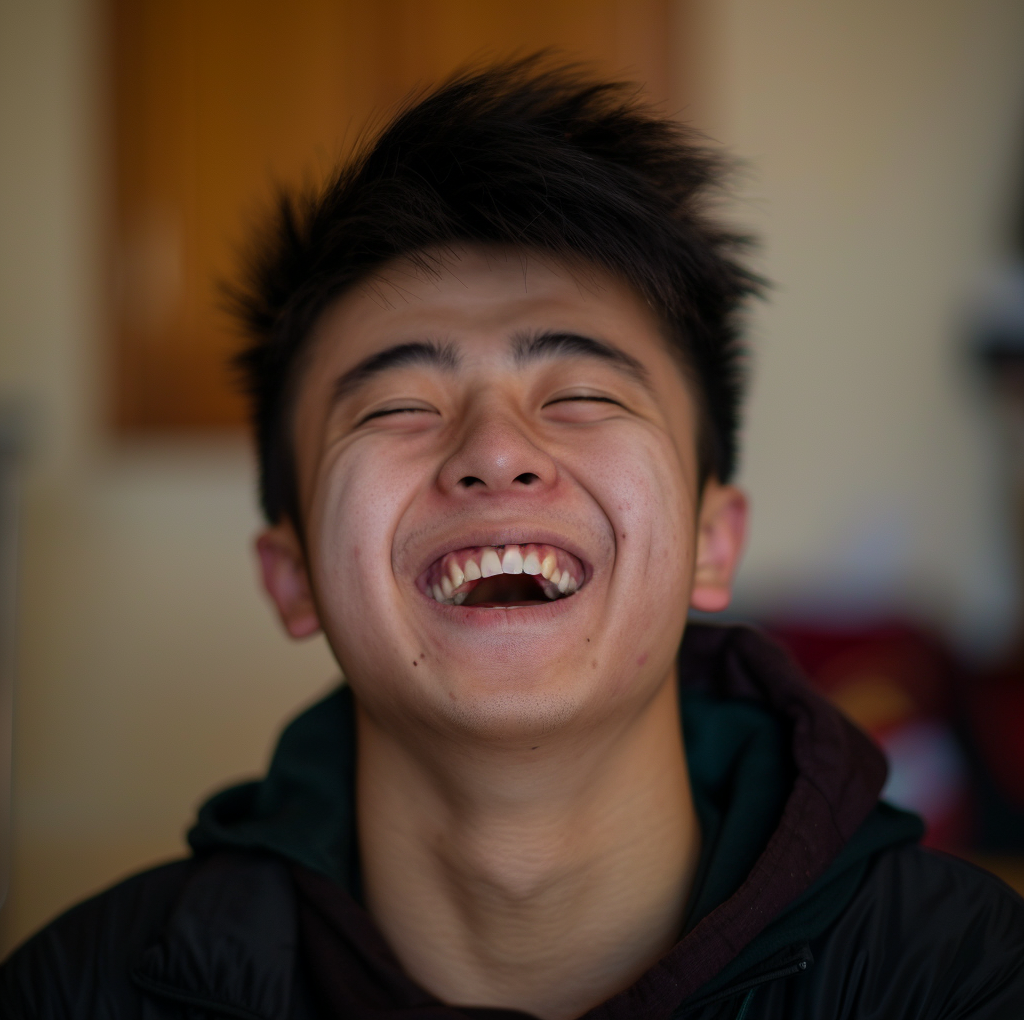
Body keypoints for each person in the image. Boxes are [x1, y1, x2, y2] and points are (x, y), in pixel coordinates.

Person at [2, 59, 1023, 1020]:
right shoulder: (82, 990)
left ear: (714, 541)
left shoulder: (965, 977)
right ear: (294, 572)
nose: (495, 451)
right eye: (396, 405)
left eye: (579, 393)